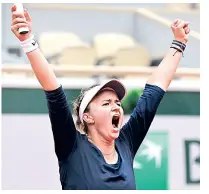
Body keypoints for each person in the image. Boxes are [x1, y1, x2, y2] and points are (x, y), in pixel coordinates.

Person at [10, 4, 190, 190]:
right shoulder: (72, 146)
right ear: (87, 117)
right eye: (106, 103)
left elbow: (155, 91)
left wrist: (179, 42)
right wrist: (27, 40)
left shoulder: (126, 143)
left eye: (117, 103)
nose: (116, 107)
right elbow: (53, 90)